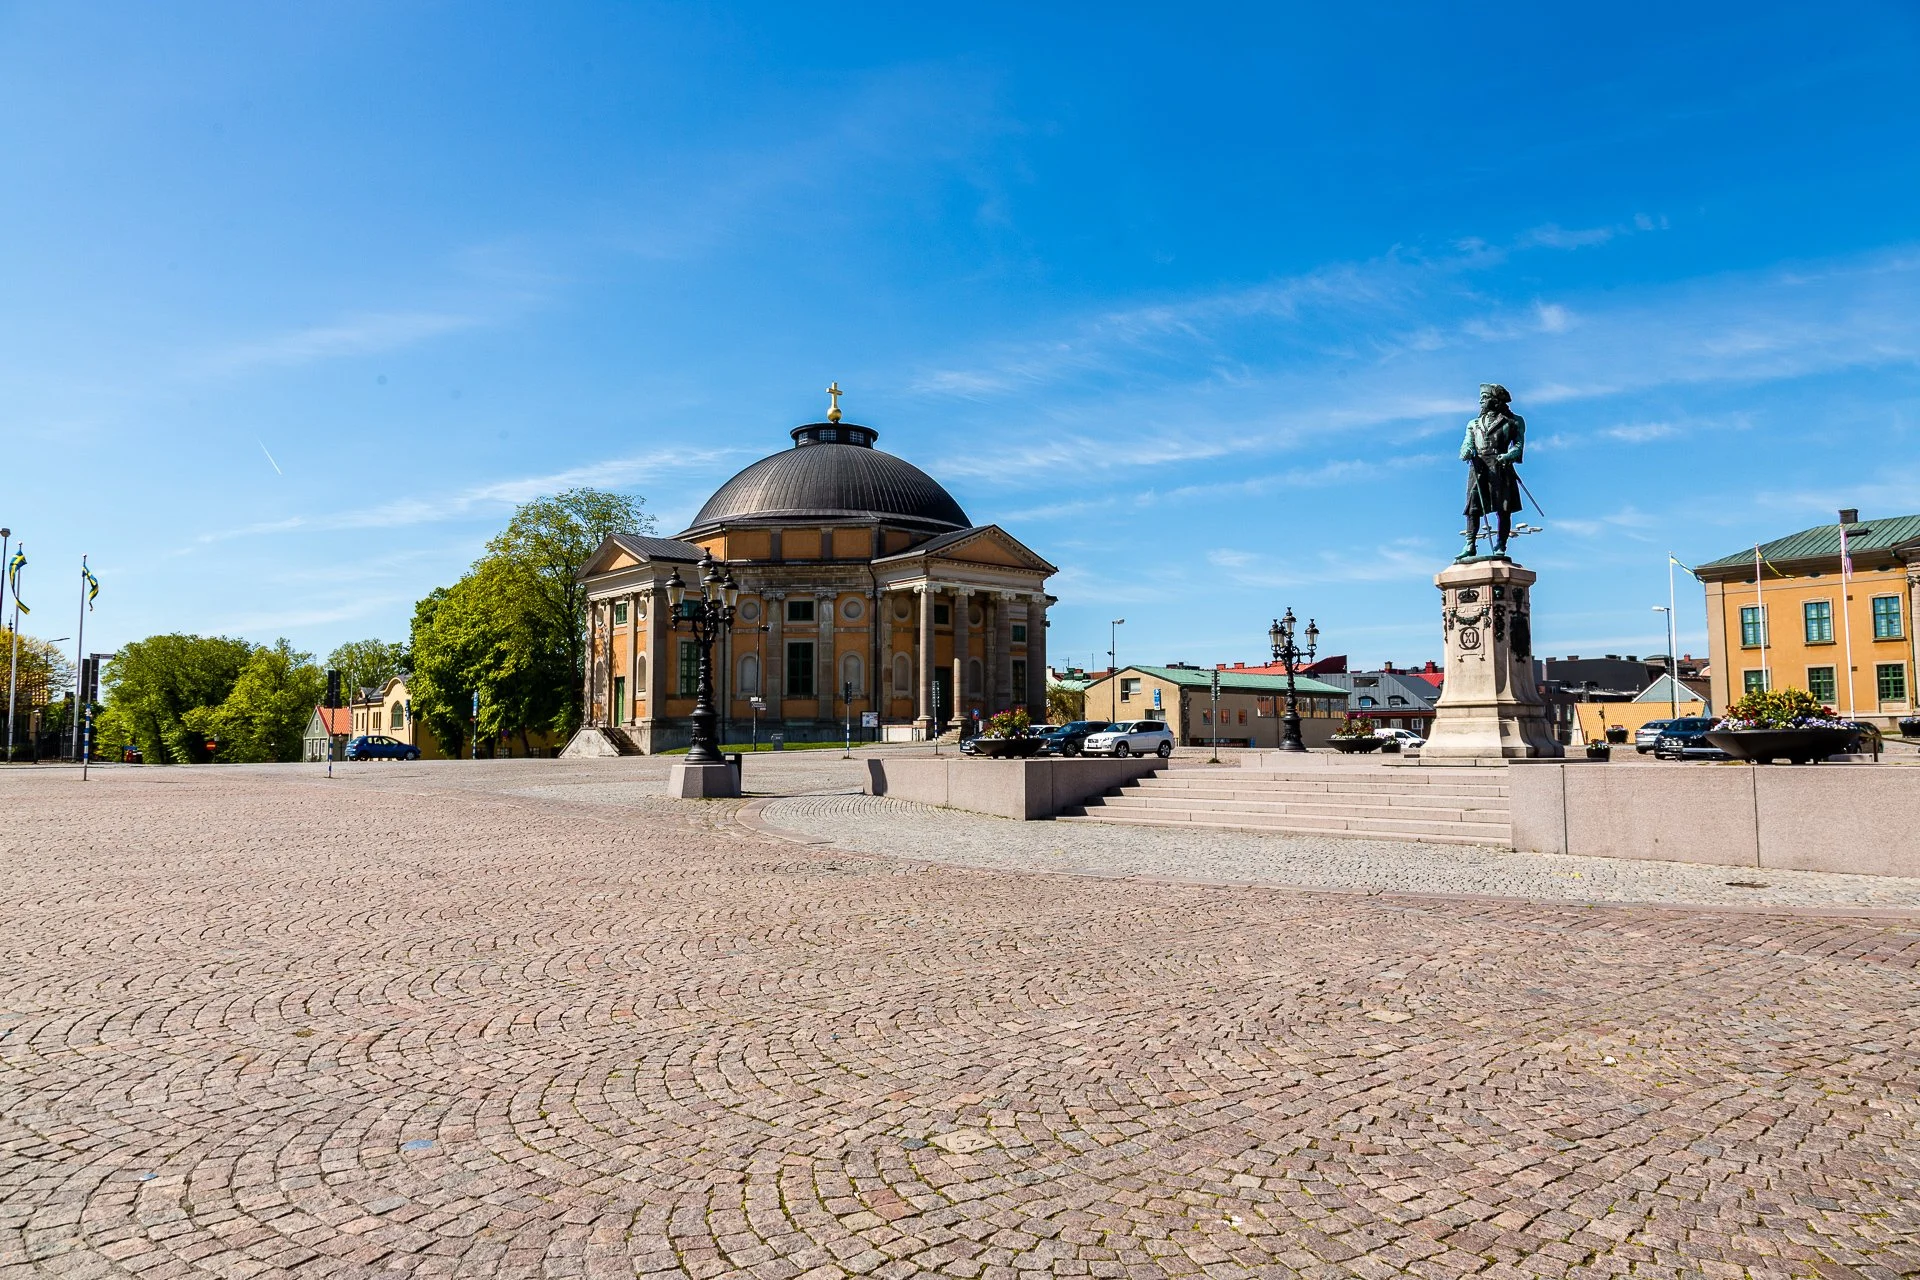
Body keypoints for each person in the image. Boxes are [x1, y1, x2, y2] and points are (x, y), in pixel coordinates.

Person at [1459, 383, 1526, 559]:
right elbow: (1466, 443)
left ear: (1496, 401)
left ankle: (1501, 544)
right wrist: (1467, 451)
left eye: (1485, 397)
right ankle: (1470, 543)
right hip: (1478, 466)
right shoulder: (1473, 424)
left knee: (1503, 508)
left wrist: (1508, 456)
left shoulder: (1514, 421)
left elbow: (1518, 447)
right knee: (1473, 506)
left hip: (1500, 466)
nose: (1481, 400)